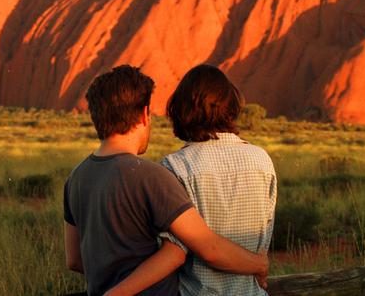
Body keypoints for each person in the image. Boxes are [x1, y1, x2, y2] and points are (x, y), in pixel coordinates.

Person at [63, 65, 269, 295]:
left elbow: (74, 260)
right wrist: (259, 264)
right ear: (143, 114)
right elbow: (190, 250)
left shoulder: (75, 179)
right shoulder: (152, 176)